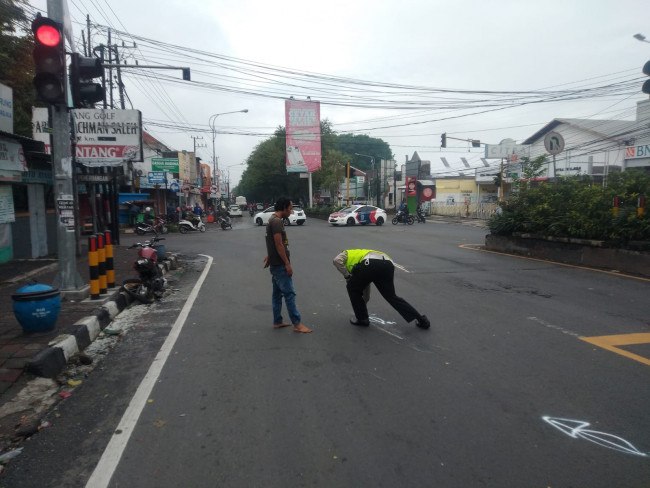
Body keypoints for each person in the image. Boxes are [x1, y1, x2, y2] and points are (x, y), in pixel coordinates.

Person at [332, 249, 430, 329]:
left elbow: (336, 261)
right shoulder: (361, 256)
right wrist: (363, 303)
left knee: (352, 287)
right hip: (387, 264)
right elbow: (365, 284)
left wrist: (347, 277)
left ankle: (362, 320)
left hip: (369, 264)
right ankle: (422, 320)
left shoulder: (346, 253)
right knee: (392, 296)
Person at [263, 197, 311, 333]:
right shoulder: (277, 222)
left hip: (275, 263)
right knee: (289, 294)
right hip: (280, 265)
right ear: (284, 208)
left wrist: (269, 256)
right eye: (290, 208)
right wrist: (287, 264)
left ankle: (277, 321)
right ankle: (297, 324)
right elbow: (278, 244)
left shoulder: (272, 219)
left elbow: (271, 242)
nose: (291, 211)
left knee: (277, 295)